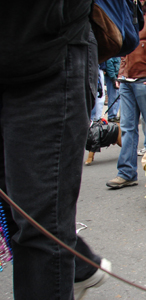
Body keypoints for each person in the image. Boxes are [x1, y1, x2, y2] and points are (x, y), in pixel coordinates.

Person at [0, 1, 111, 299]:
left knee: (38, 227)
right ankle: (78, 267)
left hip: (47, 53)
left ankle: (73, 266)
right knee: (14, 211)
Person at [107, 0, 146, 188]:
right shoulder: (128, 11)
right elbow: (126, 48)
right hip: (127, 80)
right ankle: (126, 173)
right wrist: (121, 74)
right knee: (127, 128)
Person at [104, 57, 121, 122]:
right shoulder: (113, 54)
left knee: (118, 97)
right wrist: (113, 78)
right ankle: (112, 116)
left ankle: (114, 115)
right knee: (113, 97)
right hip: (112, 77)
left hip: (118, 76)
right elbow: (109, 66)